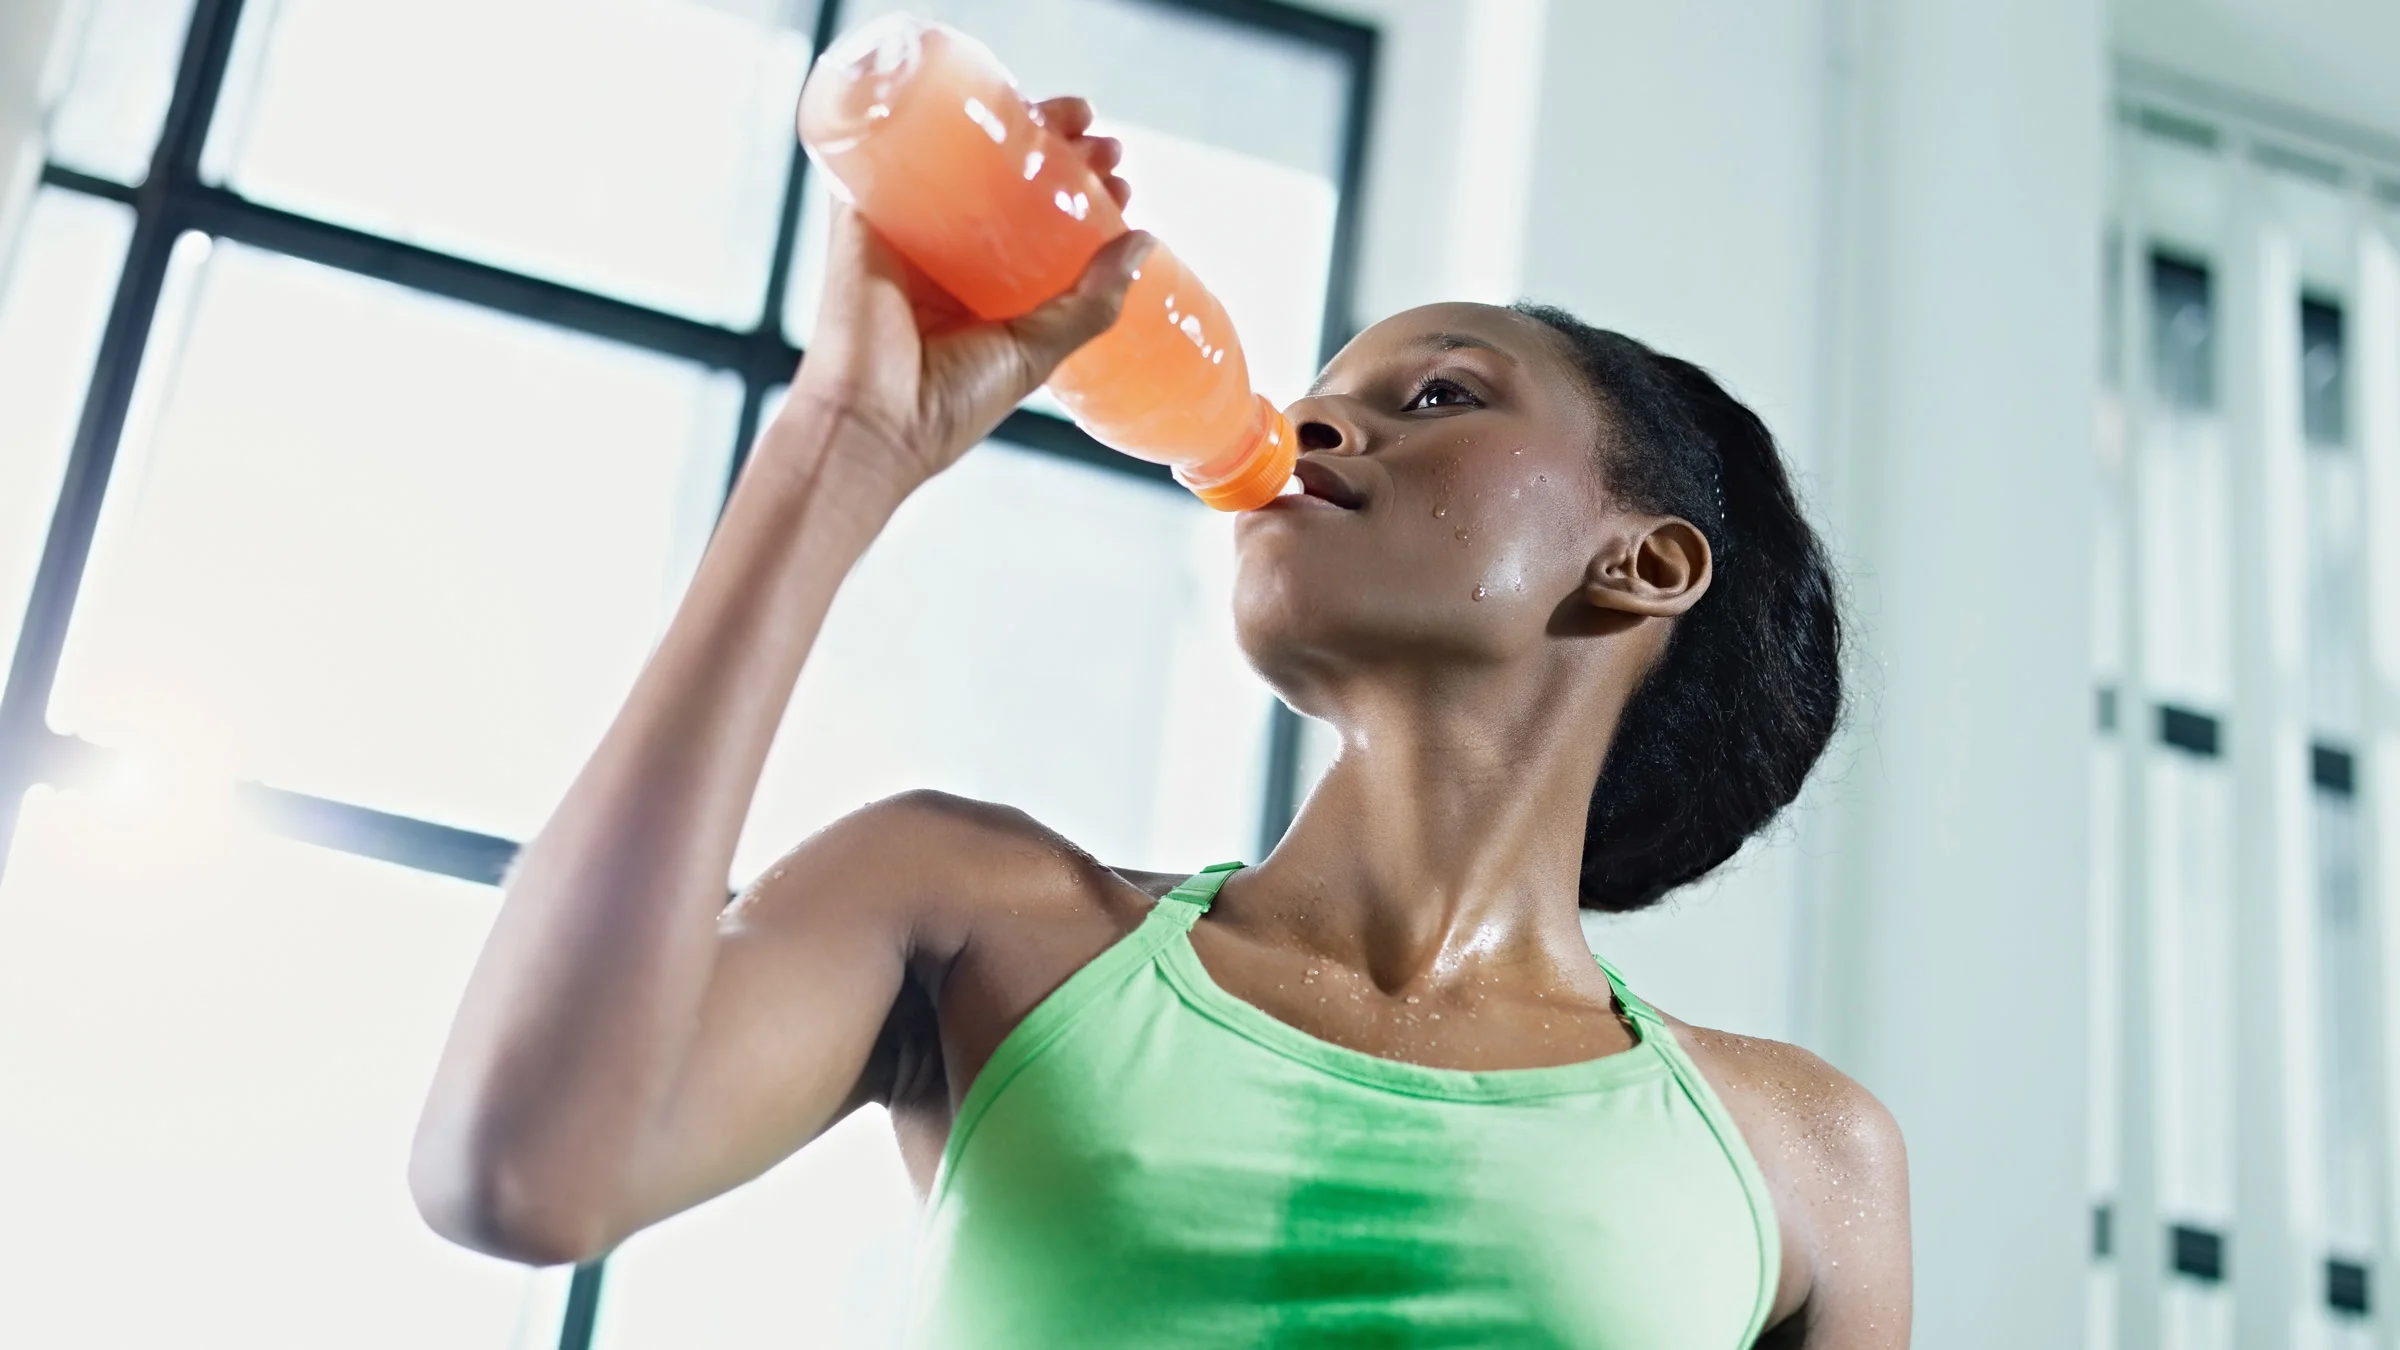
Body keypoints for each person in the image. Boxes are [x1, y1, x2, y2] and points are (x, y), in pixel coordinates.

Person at [409, 97, 1911, 1348]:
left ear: (1646, 563)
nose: (1311, 423)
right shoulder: (977, 917)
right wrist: (841, 440)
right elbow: (523, 1169)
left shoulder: (1799, 1158)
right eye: (1318, 392)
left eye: (1441, 395)